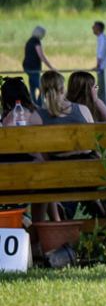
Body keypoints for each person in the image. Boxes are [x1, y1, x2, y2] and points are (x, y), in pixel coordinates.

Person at [0, 76, 61, 223]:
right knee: (42, 175)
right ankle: (53, 220)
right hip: (35, 178)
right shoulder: (37, 116)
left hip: (9, 178)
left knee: (40, 175)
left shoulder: (7, 119)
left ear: (5, 99)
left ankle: (49, 219)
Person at [37, 71, 96, 160]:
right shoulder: (83, 109)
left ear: (42, 91)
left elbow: (41, 152)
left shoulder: (37, 116)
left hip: (57, 163)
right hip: (87, 160)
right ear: (62, 89)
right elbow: (94, 139)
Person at [22, 26, 55, 104]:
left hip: (28, 67)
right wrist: (51, 67)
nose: (44, 36)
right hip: (33, 68)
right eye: (43, 34)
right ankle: (39, 104)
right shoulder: (36, 42)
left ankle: (33, 103)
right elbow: (41, 55)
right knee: (41, 87)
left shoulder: (30, 41)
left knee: (33, 86)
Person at [91, 21, 106, 105]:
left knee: (102, 90)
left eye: (94, 27)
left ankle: (103, 106)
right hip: (104, 68)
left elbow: (101, 53)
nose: (92, 29)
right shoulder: (103, 38)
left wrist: (98, 66)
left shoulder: (102, 39)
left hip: (103, 68)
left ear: (98, 28)